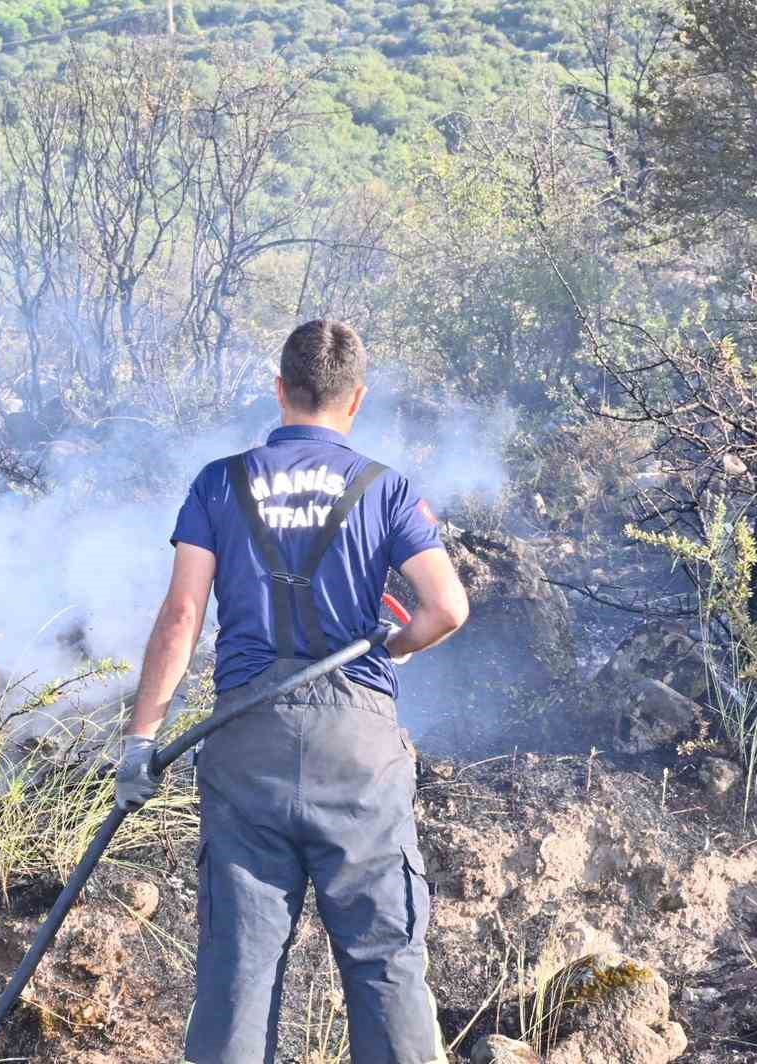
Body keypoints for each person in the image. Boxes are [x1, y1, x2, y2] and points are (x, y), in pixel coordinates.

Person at [114, 320, 470, 1064]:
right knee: (383, 963)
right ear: (357, 399)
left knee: (239, 974)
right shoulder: (386, 487)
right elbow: (448, 608)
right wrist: (392, 649)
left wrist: (142, 742)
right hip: (360, 751)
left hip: (247, 745)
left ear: (279, 391)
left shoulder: (220, 482)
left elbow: (182, 615)